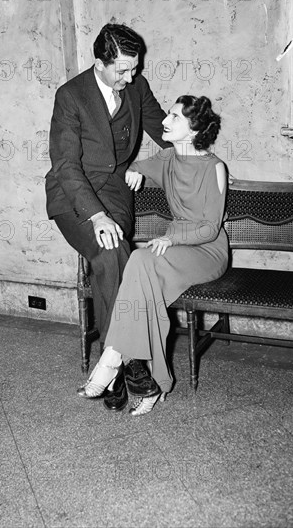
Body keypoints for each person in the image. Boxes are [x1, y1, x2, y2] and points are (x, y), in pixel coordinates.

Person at [78, 95, 229, 416]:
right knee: (142, 274)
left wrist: (171, 237)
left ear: (193, 130)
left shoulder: (215, 167)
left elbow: (210, 228)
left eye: (175, 117)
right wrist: (134, 168)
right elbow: (138, 166)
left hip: (205, 250)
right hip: (172, 247)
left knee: (142, 263)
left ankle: (113, 358)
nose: (166, 120)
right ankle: (152, 381)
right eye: (169, 114)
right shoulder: (167, 158)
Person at [45, 24, 171, 411]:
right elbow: (66, 165)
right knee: (108, 255)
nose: (130, 77)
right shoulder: (70, 96)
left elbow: (168, 135)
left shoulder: (137, 87)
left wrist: (195, 162)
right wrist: (96, 216)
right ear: (99, 63)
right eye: (121, 70)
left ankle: (110, 364)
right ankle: (130, 363)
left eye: (134, 69)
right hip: (74, 198)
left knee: (114, 255)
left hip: (115, 193)